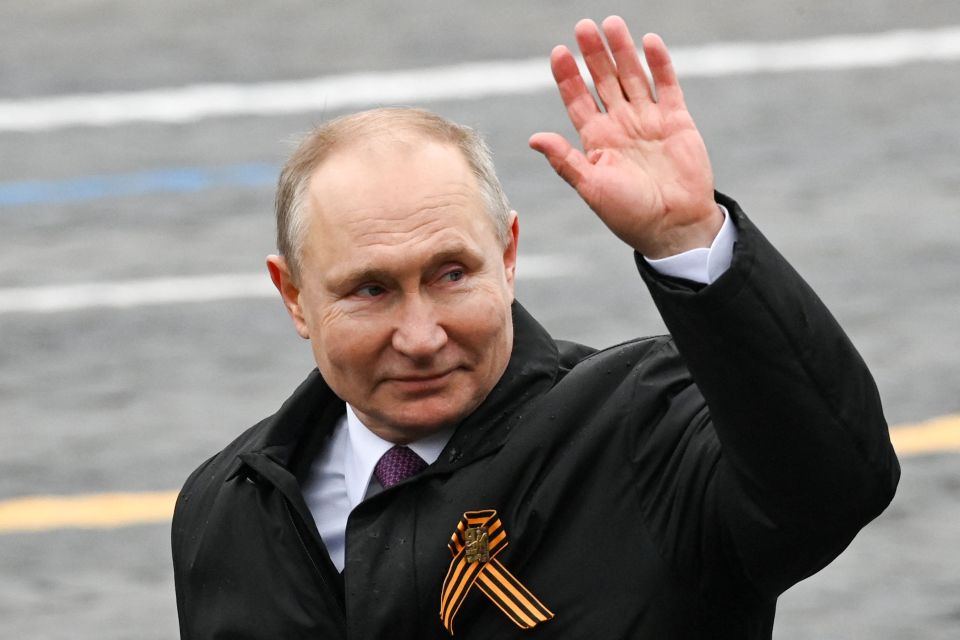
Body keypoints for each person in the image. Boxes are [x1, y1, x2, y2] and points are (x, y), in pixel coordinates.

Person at [171, 16, 899, 639]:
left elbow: (833, 484)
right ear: (293, 296)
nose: (421, 335)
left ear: (509, 255)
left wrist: (688, 239)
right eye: (371, 290)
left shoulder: (646, 432)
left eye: (451, 274)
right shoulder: (227, 513)